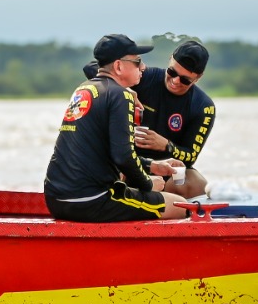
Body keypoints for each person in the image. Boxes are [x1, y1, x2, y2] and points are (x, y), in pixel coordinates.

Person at [45, 34, 188, 222]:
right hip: (91, 201)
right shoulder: (121, 96)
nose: (143, 67)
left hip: (56, 200)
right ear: (119, 66)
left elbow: (109, 153)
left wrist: (153, 166)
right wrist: (147, 184)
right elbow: (123, 156)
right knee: (180, 205)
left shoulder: (84, 89)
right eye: (137, 62)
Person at [133, 39, 216, 197]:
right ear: (170, 59)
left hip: (167, 172)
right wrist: (122, 91)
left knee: (194, 182)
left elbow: (190, 157)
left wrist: (167, 146)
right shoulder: (141, 78)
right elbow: (95, 70)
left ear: (198, 77)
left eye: (185, 80)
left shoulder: (203, 107)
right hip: (128, 164)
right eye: (172, 72)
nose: (175, 81)